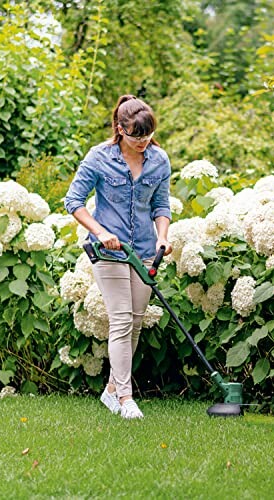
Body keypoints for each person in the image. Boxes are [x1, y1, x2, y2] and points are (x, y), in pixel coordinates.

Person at [64, 95, 172, 419]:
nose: (143, 142)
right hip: (108, 250)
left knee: (136, 323)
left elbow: (161, 206)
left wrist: (163, 236)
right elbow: (74, 201)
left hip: (142, 250)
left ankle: (111, 390)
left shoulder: (159, 160)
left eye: (148, 135)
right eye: (136, 135)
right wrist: (100, 232)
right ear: (120, 129)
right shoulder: (99, 158)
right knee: (122, 319)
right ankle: (126, 398)